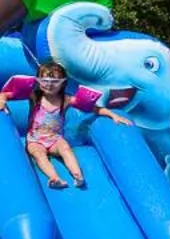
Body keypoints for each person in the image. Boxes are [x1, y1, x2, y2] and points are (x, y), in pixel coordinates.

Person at [3, 60, 130, 189]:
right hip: (34, 139)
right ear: (38, 81)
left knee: (65, 149)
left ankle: (78, 175)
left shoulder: (66, 99)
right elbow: (6, 94)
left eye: (55, 82)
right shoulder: (34, 96)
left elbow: (93, 108)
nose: (49, 85)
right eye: (44, 80)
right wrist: (2, 100)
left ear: (63, 83)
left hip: (55, 139)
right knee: (38, 154)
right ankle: (54, 177)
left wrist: (113, 115)